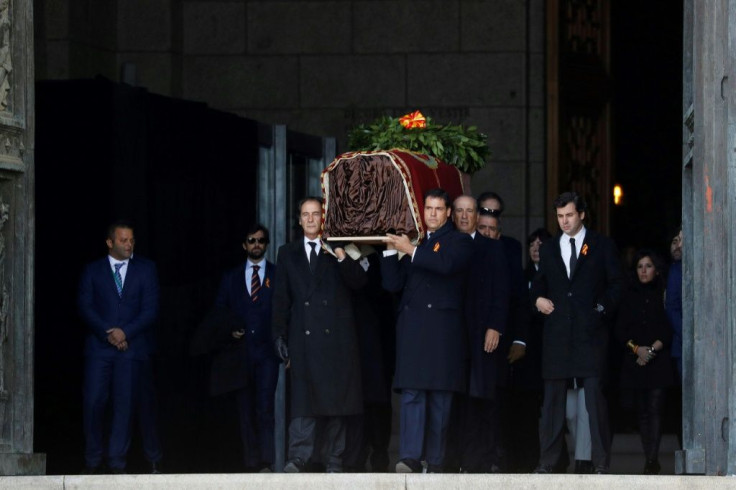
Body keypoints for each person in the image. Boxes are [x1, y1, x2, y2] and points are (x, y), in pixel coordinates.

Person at [272, 197, 367, 473]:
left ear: (323, 218)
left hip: (336, 340)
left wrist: (340, 256)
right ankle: (298, 457)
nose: (311, 219)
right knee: (303, 402)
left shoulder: (342, 247)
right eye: (306, 215)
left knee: (336, 402)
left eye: (316, 214)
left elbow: (360, 282)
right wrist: (278, 336)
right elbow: (280, 300)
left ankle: (333, 459)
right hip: (303, 339)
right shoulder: (286, 253)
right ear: (299, 220)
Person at [380, 188, 473, 473]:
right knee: (412, 395)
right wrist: (388, 247)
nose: (432, 214)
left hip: (442, 333)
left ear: (447, 213)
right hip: (413, 331)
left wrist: (410, 249)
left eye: (438, 209)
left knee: (439, 400)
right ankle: (409, 457)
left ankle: (435, 461)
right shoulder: (415, 241)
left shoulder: (459, 241)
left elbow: (444, 265)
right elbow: (392, 285)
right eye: (428, 208)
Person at [531, 191, 623, 474]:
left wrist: (600, 310)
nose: (564, 221)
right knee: (552, 404)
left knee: (595, 402)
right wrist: (537, 299)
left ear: (581, 214)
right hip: (558, 334)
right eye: (560, 216)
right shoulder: (548, 248)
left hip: (590, 334)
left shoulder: (601, 245)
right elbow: (538, 284)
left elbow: (617, 284)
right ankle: (548, 462)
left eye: (569, 215)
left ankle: (600, 463)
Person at [78, 221, 160, 473]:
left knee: (124, 406)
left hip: (131, 349)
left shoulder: (146, 269)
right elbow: (85, 307)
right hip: (99, 349)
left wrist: (125, 332)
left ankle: (116, 462)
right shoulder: (92, 271)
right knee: (93, 403)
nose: (129, 244)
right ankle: (92, 461)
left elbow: (150, 310)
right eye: (123, 240)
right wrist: (109, 334)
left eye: (132, 240)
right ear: (110, 242)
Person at [213, 224, 279, 472]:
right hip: (239, 354)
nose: (256, 244)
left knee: (265, 408)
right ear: (244, 244)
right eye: (251, 240)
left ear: (266, 244)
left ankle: (266, 462)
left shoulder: (277, 274)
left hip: (267, 354)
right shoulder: (230, 277)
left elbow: (284, 310)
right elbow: (220, 311)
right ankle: (251, 463)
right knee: (244, 410)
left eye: (261, 240)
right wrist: (230, 330)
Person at [451, 195, 509, 473]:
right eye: (459, 211)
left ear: (477, 215)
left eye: (469, 211)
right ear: (452, 215)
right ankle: (456, 461)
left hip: (483, 333)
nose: (464, 216)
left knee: (482, 397)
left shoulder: (491, 247)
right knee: (454, 399)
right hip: (452, 335)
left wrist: (496, 326)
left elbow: (501, 290)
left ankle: (482, 461)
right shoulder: (445, 243)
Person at [614, 249, 673, 475]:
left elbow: (669, 327)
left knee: (656, 409)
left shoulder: (664, 293)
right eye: (640, 266)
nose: (644, 270)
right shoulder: (629, 295)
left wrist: (651, 350)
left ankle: (652, 459)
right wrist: (637, 349)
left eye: (648, 266)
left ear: (656, 270)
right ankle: (648, 454)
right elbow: (620, 330)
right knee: (642, 412)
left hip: (658, 358)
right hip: (635, 359)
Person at [665, 227, 683, 382]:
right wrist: (688, 335)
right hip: (684, 344)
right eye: (674, 241)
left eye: (681, 241)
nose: (678, 246)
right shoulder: (675, 270)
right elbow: (672, 308)